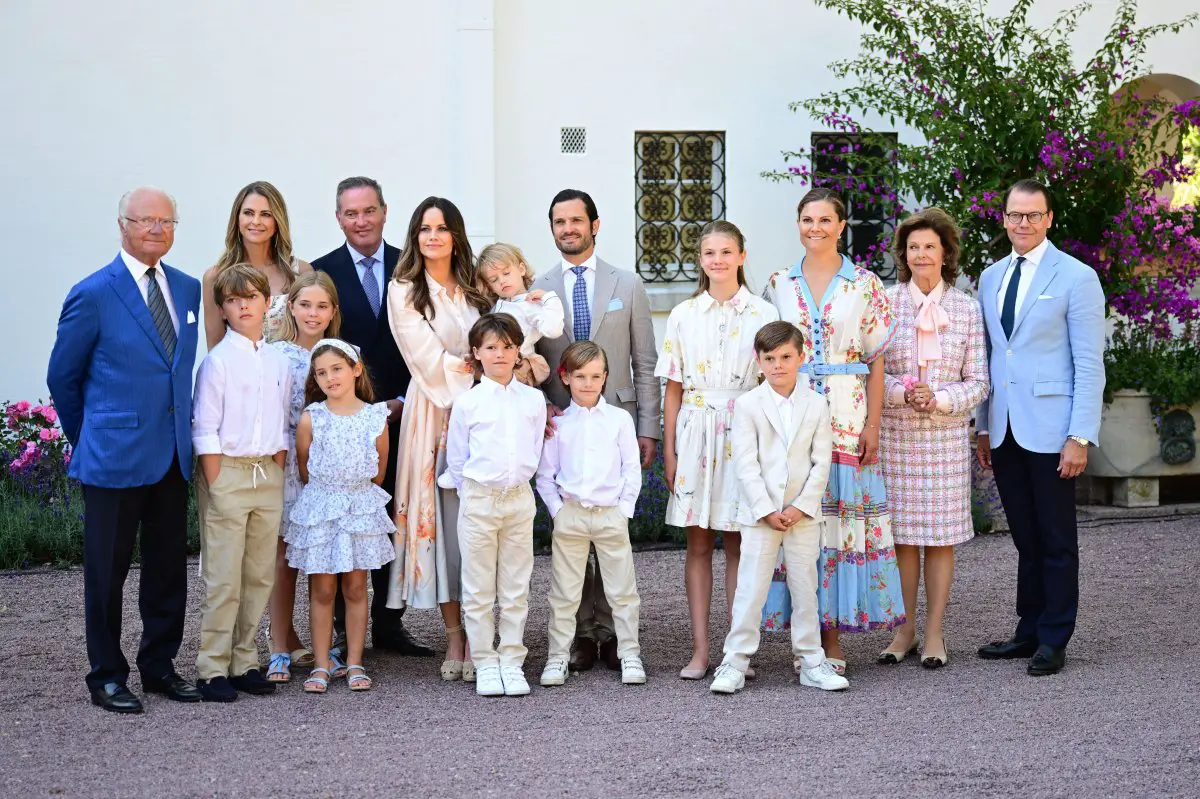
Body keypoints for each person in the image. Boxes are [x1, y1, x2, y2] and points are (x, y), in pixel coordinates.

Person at [48, 186, 202, 713]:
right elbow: (63, 378)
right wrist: (91, 438)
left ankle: (159, 666)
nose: (157, 230)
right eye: (145, 221)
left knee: (167, 570)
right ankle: (107, 675)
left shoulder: (186, 289)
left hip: (171, 457)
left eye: (166, 222)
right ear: (122, 225)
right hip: (113, 458)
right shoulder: (92, 293)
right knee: (106, 573)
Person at [762, 187, 905, 674]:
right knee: (801, 524)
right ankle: (805, 637)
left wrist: (873, 424)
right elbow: (767, 356)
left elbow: (876, 359)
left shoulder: (864, 283)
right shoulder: (778, 283)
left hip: (847, 412)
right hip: (793, 412)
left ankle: (833, 639)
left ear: (842, 226)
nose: (815, 228)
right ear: (797, 223)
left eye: (825, 220)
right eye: (807, 219)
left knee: (839, 527)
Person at [975, 179, 1105, 676]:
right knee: (1025, 539)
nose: (1022, 223)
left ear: (1049, 218)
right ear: (1004, 219)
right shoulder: (990, 277)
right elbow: (994, 357)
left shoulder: (1076, 277)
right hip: (1006, 430)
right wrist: (984, 427)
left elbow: (1089, 365)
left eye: (1032, 215)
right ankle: (1027, 631)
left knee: (1055, 539)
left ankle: (1054, 637)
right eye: (1014, 215)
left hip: (1054, 431)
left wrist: (1080, 435)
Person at [534, 188, 661, 672]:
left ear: (595, 224)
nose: (568, 229)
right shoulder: (538, 287)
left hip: (616, 420)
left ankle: (611, 634)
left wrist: (647, 425)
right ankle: (581, 634)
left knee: (610, 537)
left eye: (575, 220)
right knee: (570, 539)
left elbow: (644, 361)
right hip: (558, 427)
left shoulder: (626, 284)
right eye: (559, 222)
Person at [656, 220, 779, 679]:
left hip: (743, 430)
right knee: (699, 542)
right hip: (695, 430)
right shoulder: (685, 314)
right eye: (709, 253)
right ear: (700, 260)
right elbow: (672, 385)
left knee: (739, 543)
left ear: (742, 257)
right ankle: (701, 651)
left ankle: (736, 651)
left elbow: (774, 386)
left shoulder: (763, 314)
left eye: (726, 252)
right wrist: (669, 449)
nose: (718, 260)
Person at [311, 176, 426, 657]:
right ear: (339, 218)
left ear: (384, 212)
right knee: (346, 520)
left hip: (408, 414)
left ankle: (389, 623)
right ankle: (340, 627)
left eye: (369, 211)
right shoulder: (322, 272)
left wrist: (403, 401)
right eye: (351, 213)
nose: (361, 221)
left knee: (394, 518)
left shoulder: (412, 266)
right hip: (346, 422)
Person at [877, 208, 990, 669]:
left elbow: (980, 382)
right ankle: (903, 631)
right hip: (897, 437)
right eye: (913, 247)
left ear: (946, 253)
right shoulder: (883, 303)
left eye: (930, 246)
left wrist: (940, 396)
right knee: (902, 538)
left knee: (940, 540)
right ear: (904, 255)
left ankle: (935, 634)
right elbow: (870, 374)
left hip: (944, 440)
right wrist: (904, 391)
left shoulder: (966, 308)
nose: (921, 254)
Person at [709, 321, 847, 694]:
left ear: (801, 357)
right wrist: (766, 509)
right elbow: (745, 463)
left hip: (802, 516)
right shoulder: (748, 405)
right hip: (760, 516)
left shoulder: (817, 404)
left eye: (786, 357)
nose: (778, 365)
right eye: (769, 358)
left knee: (805, 588)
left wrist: (801, 507)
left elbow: (822, 462)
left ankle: (811, 660)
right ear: (759, 361)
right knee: (750, 589)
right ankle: (735, 661)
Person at [386, 197, 492, 680]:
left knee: (480, 523)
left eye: (442, 228)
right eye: (425, 228)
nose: (433, 236)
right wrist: (483, 368)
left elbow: (505, 335)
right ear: (415, 235)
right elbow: (426, 359)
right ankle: (456, 637)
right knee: (446, 526)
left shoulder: (477, 287)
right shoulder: (405, 290)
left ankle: (482, 632)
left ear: (456, 235)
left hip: (487, 414)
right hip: (436, 414)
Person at [191, 264, 291, 702]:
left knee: (257, 575)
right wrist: (216, 480)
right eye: (233, 300)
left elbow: (285, 419)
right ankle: (212, 666)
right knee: (225, 575)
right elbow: (205, 427)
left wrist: (279, 464)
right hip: (228, 472)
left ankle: (245, 660)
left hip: (266, 472)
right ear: (223, 309)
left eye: (251, 296)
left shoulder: (279, 360)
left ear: (267, 303)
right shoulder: (216, 363)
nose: (244, 305)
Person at [438, 314, 546, 697]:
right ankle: (484, 660)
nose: (499, 354)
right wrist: (474, 496)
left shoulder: (533, 400)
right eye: (490, 347)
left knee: (516, 585)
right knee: (479, 586)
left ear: (518, 351)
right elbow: (458, 459)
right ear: (476, 354)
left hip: (518, 499)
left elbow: (534, 448)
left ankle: (512, 659)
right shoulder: (467, 403)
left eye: (506, 346)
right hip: (480, 499)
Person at [286, 340, 397, 693]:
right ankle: (320, 665)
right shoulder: (311, 418)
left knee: (355, 586)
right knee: (321, 588)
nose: (330, 377)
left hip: (359, 508)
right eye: (321, 372)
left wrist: (352, 494)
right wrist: (329, 495)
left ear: (356, 369)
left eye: (337, 369)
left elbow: (378, 472)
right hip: (322, 507)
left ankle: (354, 661)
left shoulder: (375, 417)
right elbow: (305, 468)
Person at [536, 341, 645, 687]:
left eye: (595, 376)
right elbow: (545, 474)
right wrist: (558, 512)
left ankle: (629, 653)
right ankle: (558, 656)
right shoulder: (559, 424)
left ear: (605, 378)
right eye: (580, 376)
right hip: (571, 514)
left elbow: (632, 468)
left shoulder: (619, 420)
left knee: (622, 589)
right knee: (564, 591)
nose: (588, 383)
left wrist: (623, 510)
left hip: (611, 513)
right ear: (565, 377)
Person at [264, 272, 342, 682]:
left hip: (329, 471)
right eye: (305, 305)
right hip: (287, 466)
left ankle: (322, 645)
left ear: (333, 312)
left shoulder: (345, 353)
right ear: (291, 308)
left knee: (322, 558)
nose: (313, 313)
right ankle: (279, 643)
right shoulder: (276, 355)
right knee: (283, 558)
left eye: (322, 306)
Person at [202, 181, 313, 349]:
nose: (256, 221)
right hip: (240, 374)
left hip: (294, 374)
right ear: (237, 219)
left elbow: (313, 338)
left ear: (277, 221)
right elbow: (215, 346)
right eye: (248, 213)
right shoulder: (216, 277)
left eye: (266, 214)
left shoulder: (300, 272)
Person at [476, 242, 564, 387]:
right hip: (496, 370)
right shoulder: (498, 306)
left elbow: (553, 330)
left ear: (521, 269)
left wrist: (549, 299)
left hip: (518, 371)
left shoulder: (530, 304)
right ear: (489, 286)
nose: (502, 281)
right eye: (494, 280)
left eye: (506, 273)